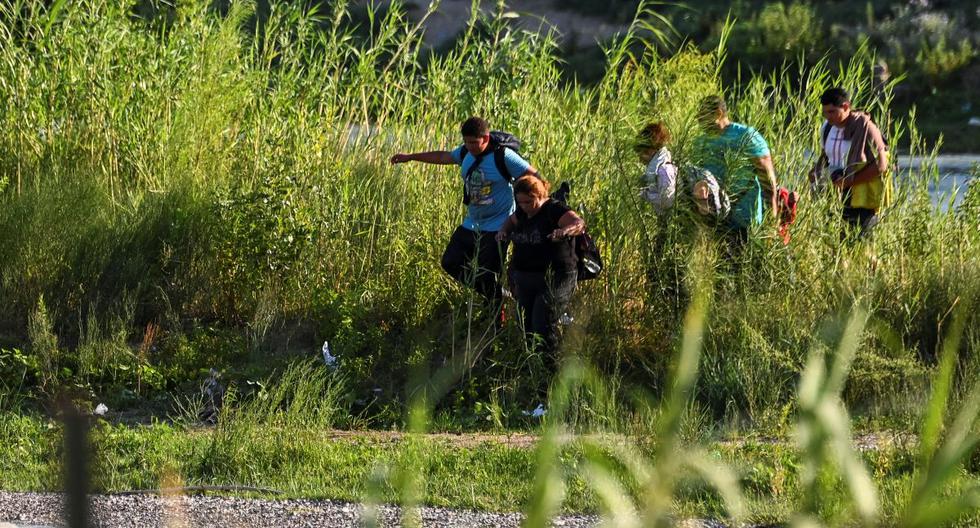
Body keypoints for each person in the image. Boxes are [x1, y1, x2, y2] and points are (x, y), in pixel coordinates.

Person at [390, 117, 539, 310]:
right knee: (450, 261)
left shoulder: (504, 156)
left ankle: (493, 319)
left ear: (485, 138)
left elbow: (534, 176)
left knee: (488, 274)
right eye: (467, 142)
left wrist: (530, 207)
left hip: (498, 226)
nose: (470, 147)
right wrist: (411, 156)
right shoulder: (465, 153)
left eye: (474, 142)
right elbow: (443, 157)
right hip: (472, 223)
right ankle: (497, 294)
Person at [496, 176, 584, 357]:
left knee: (542, 321)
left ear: (539, 195)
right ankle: (533, 367)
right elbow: (511, 221)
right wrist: (503, 232)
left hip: (556, 276)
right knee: (526, 325)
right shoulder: (521, 212)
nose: (524, 206)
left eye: (528, 201)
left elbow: (578, 224)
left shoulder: (554, 209)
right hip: (526, 277)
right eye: (519, 202)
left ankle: (552, 368)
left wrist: (564, 231)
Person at [693, 95, 778, 242]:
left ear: (718, 113)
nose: (699, 122)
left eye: (703, 117)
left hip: (745, 219)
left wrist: (772, 219)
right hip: (715, 219)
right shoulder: (701, 142)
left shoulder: (746, 136)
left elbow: (767, 178)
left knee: (746, 262)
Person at [809, 87, 890, 238]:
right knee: (838, 244)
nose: (827, 117)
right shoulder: (826, 129)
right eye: (824, 112)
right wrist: (816, 171)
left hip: (863, 198)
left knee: (863, 246)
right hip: (835, 195)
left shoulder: (867, 129)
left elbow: (881, 165)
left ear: (846, 107)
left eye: (832, 112)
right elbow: (826, 156)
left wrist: (849, 182)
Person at [636, 122, 678, 214]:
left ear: (653, 149)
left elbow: (668, 202)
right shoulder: (655, 169)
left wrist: (645, 194)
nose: (640, 156)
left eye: (644, 151)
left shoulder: (664, 170)